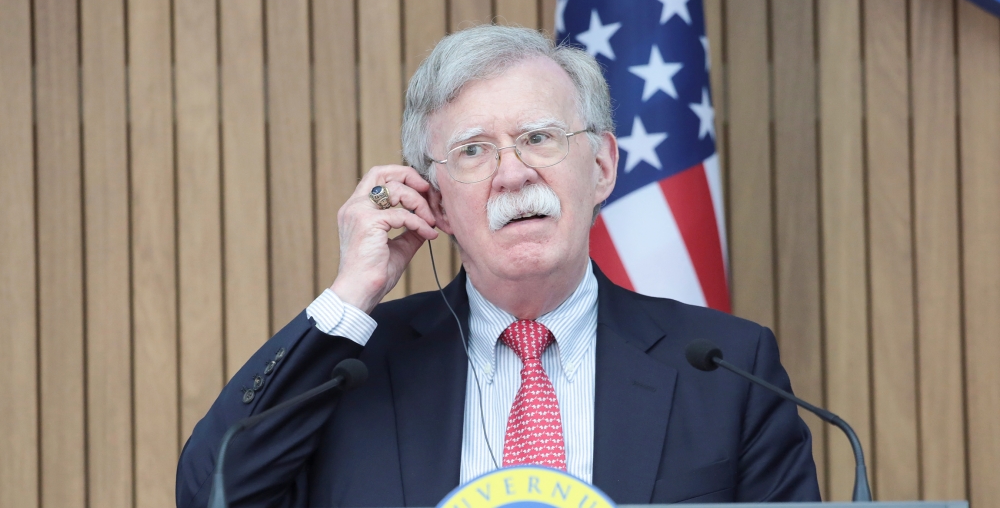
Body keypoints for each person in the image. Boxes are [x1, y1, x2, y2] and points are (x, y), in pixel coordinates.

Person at [176, 25, 820, 507]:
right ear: (436, 203)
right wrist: (352, 293)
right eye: (474, 151)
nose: (512, 174)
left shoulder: (727, 372)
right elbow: (213, 492)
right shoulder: (352, 370)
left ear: (600, 167)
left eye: (539, 137)